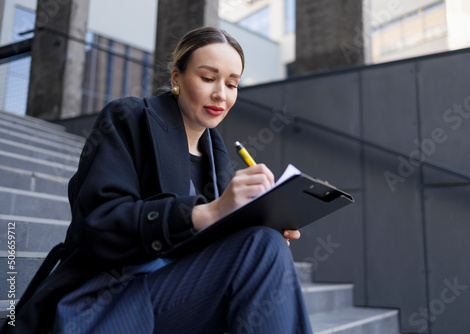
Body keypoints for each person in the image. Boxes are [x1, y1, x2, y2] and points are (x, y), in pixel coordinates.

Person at [2, 27, 313, 333]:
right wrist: (209, 212)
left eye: (232, 84)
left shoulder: (219, 162)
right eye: (208, 78)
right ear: (176, 78)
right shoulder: (128, 118)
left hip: (178, 293)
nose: (221, 93)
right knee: (262, 248)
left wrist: (257, 221)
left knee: (267, 242)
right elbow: (98, 224)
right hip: (110, 297)